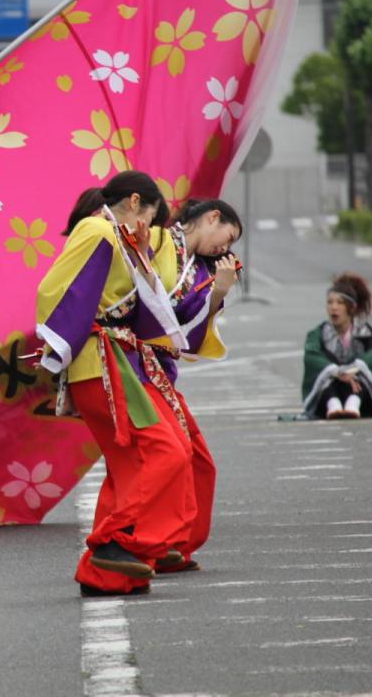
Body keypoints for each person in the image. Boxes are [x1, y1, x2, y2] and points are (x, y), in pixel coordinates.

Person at [35, 172, 191, 598]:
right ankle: (112, 540)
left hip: (110, 362)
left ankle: (107, 573)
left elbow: (154, 303)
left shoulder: (119, 238)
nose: (151, 227)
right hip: (101, 362)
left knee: (130, 466)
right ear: (135, 201)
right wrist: (69, 338)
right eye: (151, 217)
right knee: (167, 451)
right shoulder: (99, 228)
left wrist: (141, 252)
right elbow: (52, 290)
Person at [135, 199, 241, 572]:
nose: (225, 249)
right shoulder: (158, 239)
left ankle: (170, 541)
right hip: (130, 361)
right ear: (213, 217)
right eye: (227, 237)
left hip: (160, 370)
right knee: (168, 455)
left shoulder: (204, 272)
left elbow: (191, 337)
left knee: (194, 460)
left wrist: (218, 293)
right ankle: (143, 541)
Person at [301, 272, 372, 419]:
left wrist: (354, 370)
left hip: (360, 390)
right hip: (330, 388)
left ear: (352, 308)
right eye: (330, 302)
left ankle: (353, 402)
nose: (333, 307)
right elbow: (311, 356)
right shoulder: (317, 334)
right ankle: (333, 404)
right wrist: (337, 372)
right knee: (326, 379)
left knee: (361, 378)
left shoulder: (368, 334)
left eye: (340, 303)